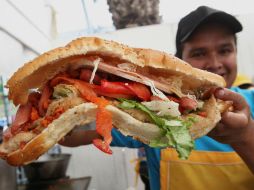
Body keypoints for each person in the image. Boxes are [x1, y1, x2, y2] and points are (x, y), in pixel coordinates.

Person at [60, 6, 254, 190]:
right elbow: (73, 137)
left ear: (236, 53)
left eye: (225, 50)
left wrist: (244, 136)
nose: (214, 63)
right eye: (199, 53)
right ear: (180, 62)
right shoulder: (156, 111)